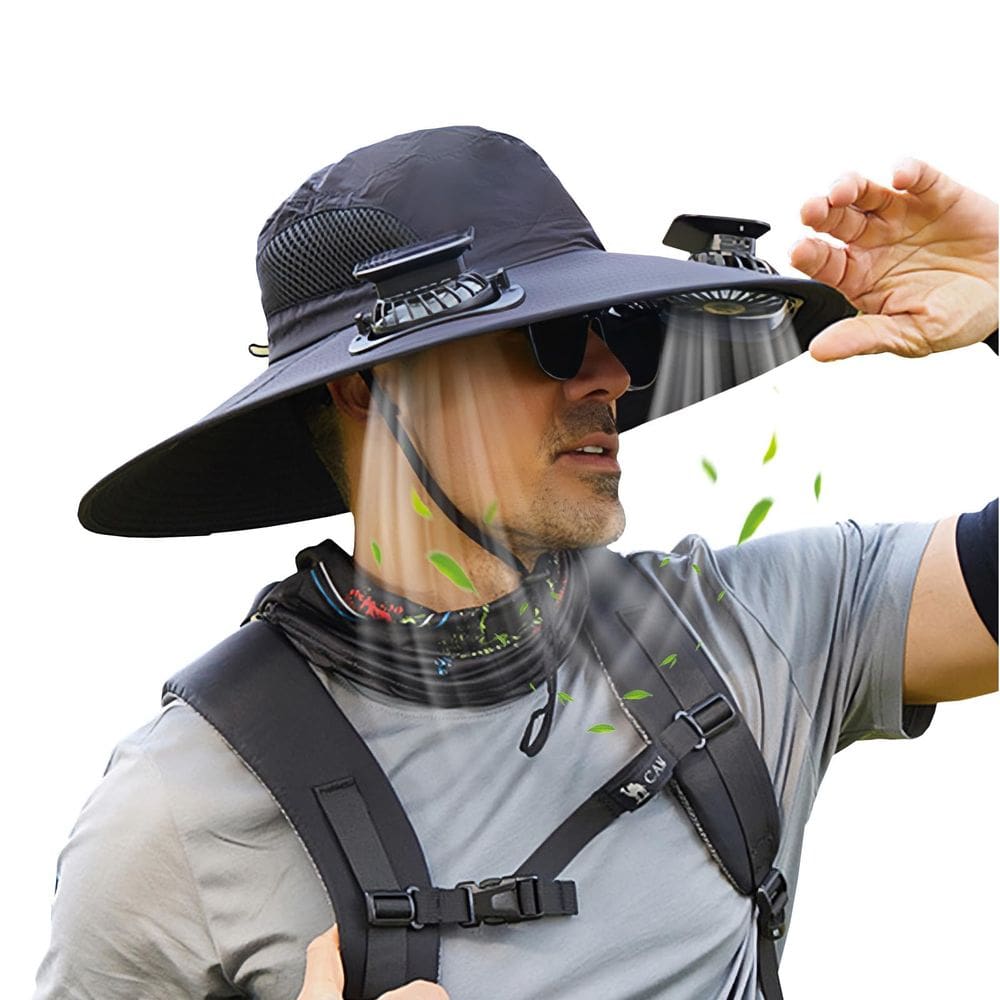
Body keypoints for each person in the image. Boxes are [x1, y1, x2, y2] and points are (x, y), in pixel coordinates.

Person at [34, 126, 997, 1000]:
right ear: (372, 390)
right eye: (548, 337)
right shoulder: (174, 812)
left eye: (615, 330)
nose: (613, 377)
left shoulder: (752, 630)